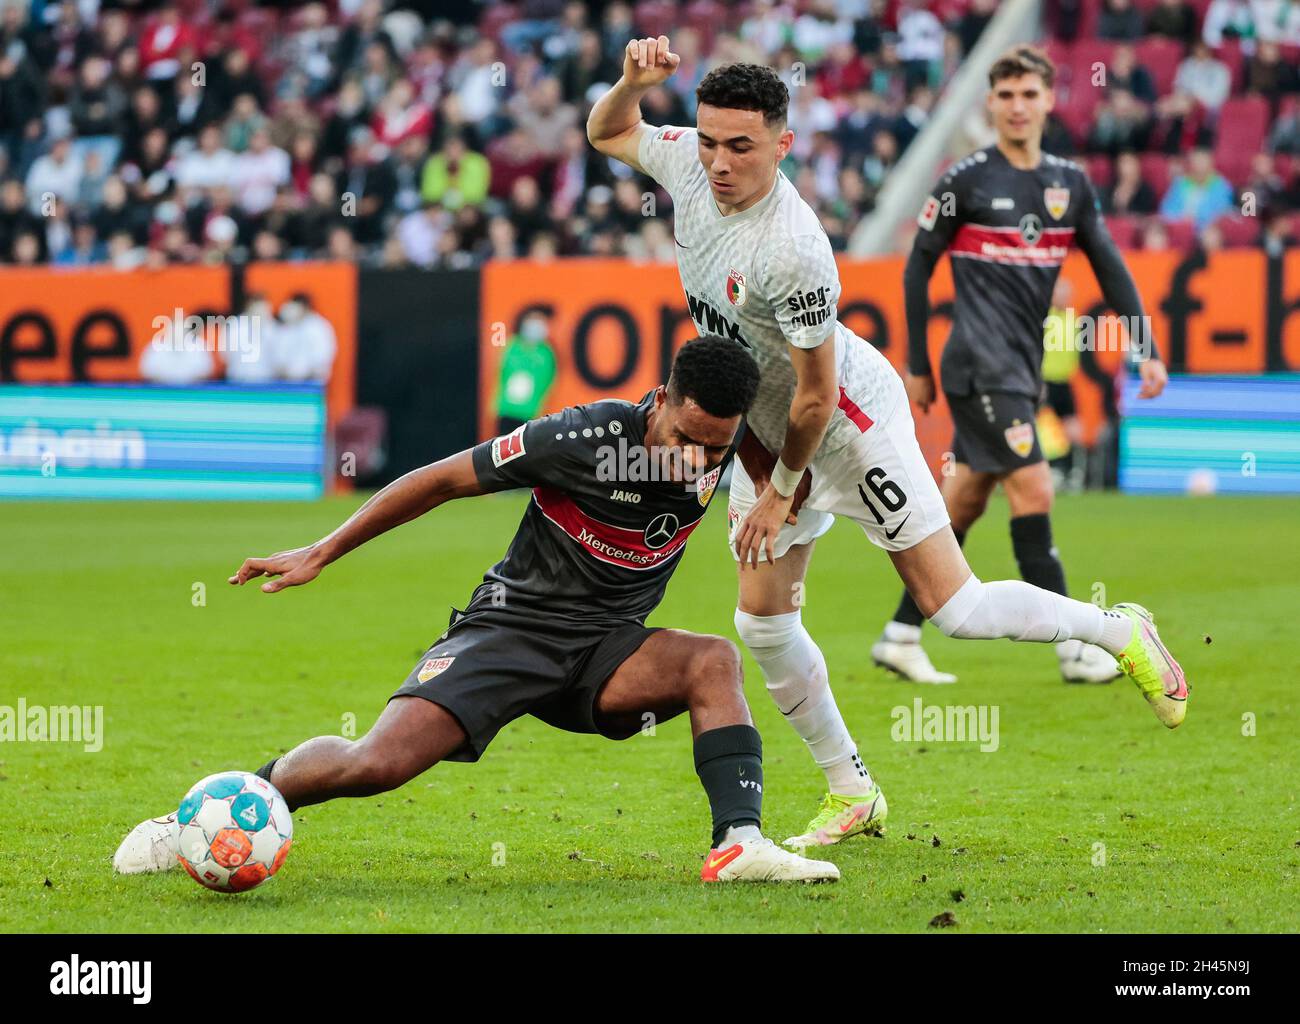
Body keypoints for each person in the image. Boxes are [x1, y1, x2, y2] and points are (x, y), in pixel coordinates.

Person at [587, 38, 1188, 851]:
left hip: (844, 428)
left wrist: (780, 490)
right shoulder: (691, 167)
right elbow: (606, 133)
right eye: (708, 141)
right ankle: (852, 791)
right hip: (772, 440)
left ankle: (1117, 631)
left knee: (958, 611)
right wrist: (630, 83)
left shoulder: (793, 246)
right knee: (760, 625)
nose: (720, 162)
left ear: (783, 143)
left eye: (741, 146)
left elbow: (816, 395)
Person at [113, 338, 840, 885]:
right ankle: (202, 818)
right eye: (684, 441)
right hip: (511, 633)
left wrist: (779, 491)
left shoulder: (726, 436)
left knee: (713, 658)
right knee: (377, 763)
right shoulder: (579, 440)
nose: (693, 462)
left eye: (712, 449)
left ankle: (739, 842)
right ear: (661, 399)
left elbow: (790, 438)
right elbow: (437, 481)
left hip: (607, 651)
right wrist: (322, 550)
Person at [874, 45, 1175, 687]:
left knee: (965, 501)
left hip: (1017, 367)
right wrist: (917, 362)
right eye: (1005, 94)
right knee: (1034, 488)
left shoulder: (1070, 182)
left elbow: (1110, 266)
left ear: (1047, 100)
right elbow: (918, 266)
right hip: (979, 367)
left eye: (1028, 94)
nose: (1017, 106)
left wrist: (1143, 345)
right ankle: (1075, 649)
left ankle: (900, 633)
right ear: (990, 102)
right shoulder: (967, 179)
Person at [495, 311, 558, 436]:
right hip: (507, 409)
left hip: (530, 413)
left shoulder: (546, 352)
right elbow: (501, 374)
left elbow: (548, 381)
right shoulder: (512, 346)